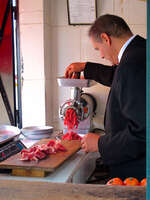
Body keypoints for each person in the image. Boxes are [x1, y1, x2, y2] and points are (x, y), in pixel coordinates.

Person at [65, 14, 146, 180]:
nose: (101, 55)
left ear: (105, 38)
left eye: (98, 48)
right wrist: (86, 67)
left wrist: (101, 144)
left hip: (136, 173)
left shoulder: (133, 63)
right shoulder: (140, 51)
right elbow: (119, 78)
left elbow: (143, 132)